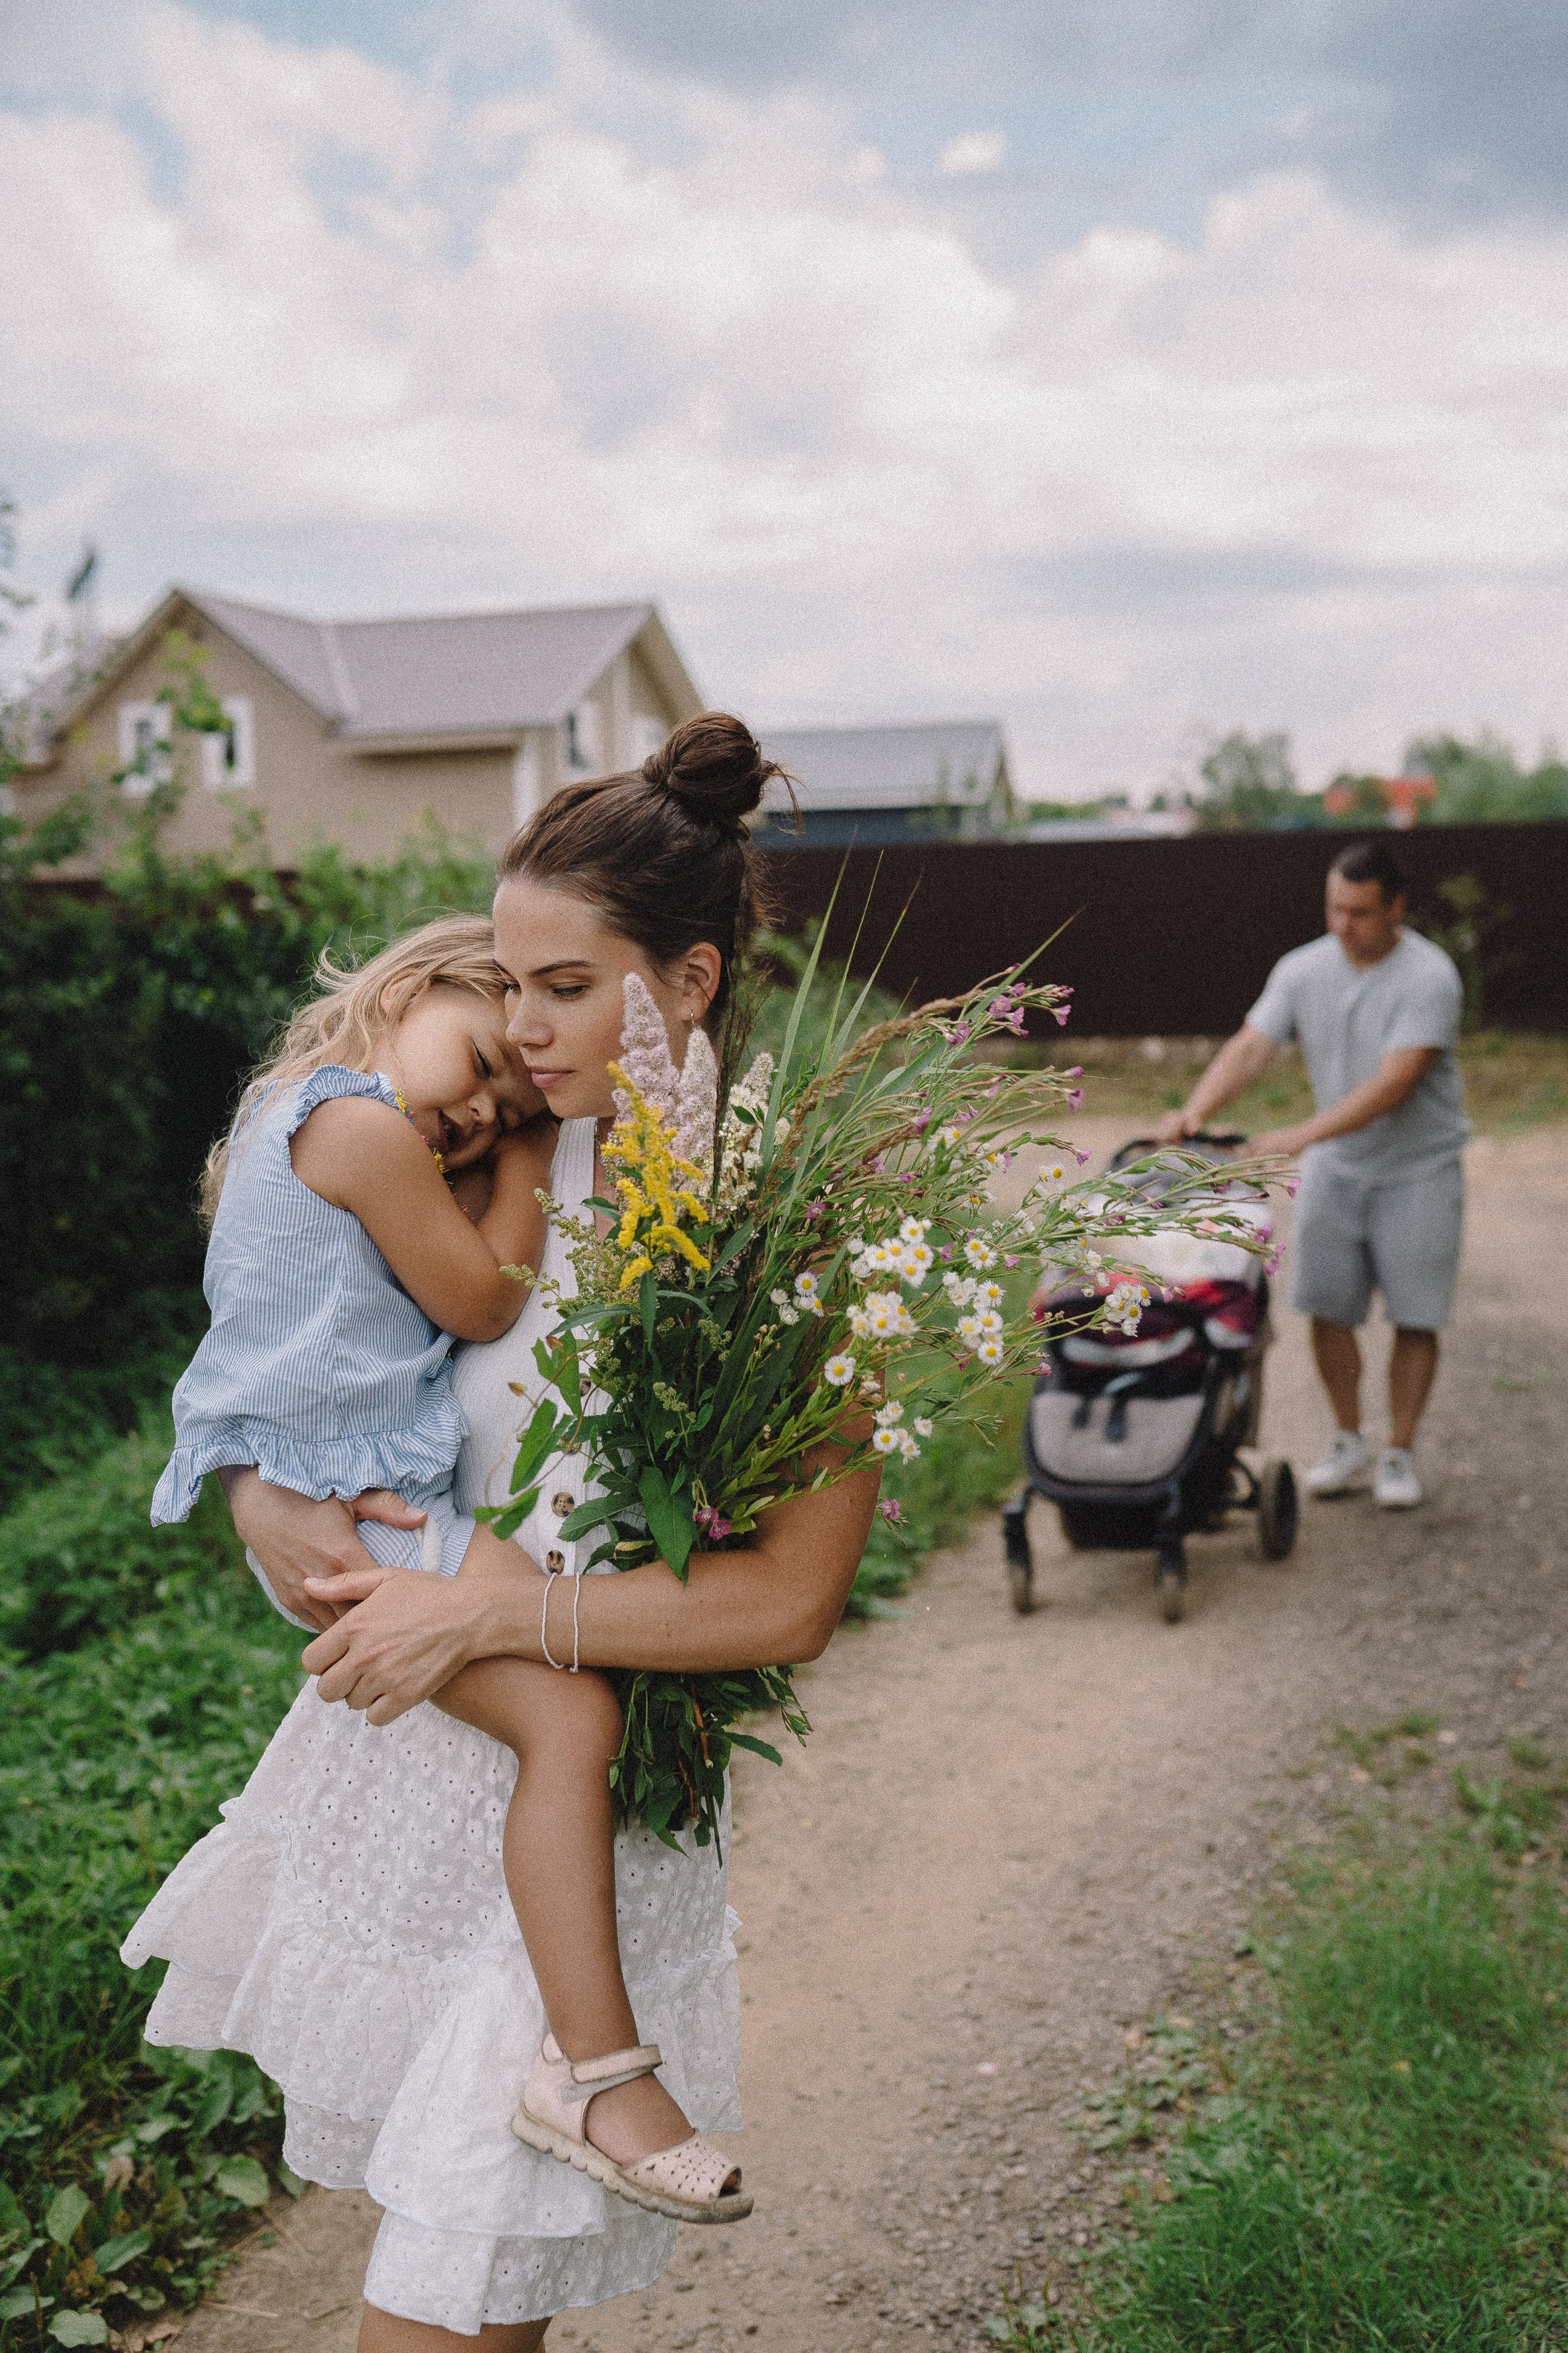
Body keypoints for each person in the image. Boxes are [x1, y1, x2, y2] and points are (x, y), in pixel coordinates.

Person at [125, 716, 880, 2350]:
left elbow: (797, 1597)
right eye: (509, 983)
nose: (522, 1028)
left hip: (588, 1827)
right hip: (417, 1780)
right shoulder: (500, 1171)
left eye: (563, 987)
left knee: (458, 2297)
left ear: (685, 981)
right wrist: (266, 1499)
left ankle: (595, 2065)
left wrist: (492, 1622)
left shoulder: (798, 1234)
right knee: (465, 2294)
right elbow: (329, 1385)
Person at [136, 909, 752, 2230]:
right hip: (364, 1509)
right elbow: (477, 1301)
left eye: (501, 1100)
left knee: (558, 1712)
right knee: (573, 1715)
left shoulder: (284, 1115)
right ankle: (593, 2070)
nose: (479, 1109)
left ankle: (576, 2057)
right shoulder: (354, 1126)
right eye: (479, 1061)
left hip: (340, 1493)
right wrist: (533, 1152)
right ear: (407, 990)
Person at [1155, 837, 1468, 1509]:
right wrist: (1193, 1113)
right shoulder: (1302, 970)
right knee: (1327, 1308)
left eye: (1357, 912)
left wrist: (1295, 1136)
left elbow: (1394, 1083)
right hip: (1337, 1167)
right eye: (1332, 909)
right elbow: (1250, 1047)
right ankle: (1349, 1438)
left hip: (1418, 1169)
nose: (1341, 926)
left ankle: (1399, 1452)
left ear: (1395, 908)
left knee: (1414, 1316)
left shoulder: (1429, 976)